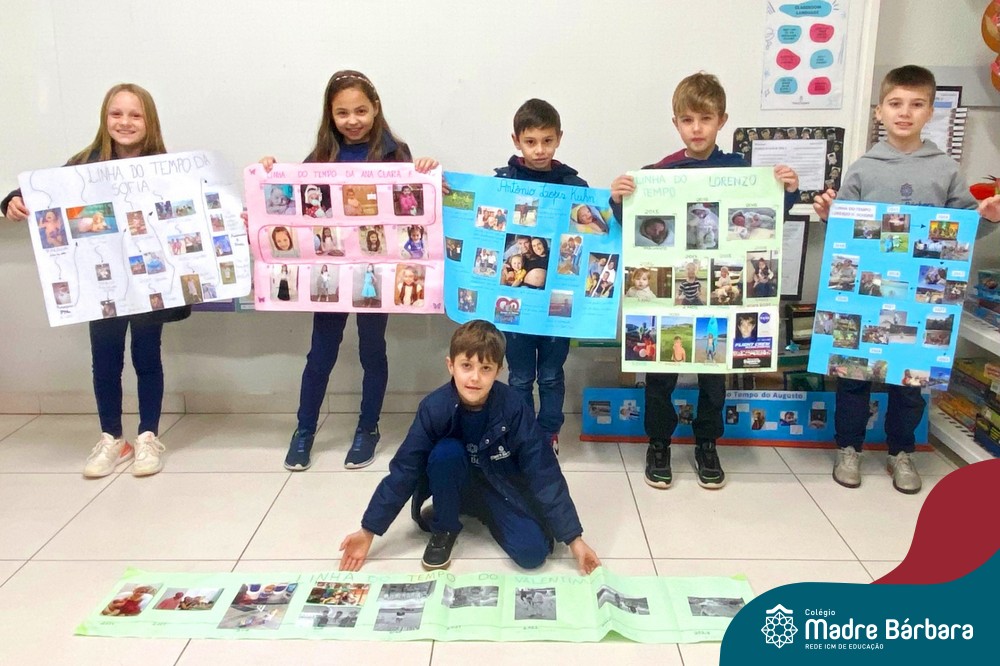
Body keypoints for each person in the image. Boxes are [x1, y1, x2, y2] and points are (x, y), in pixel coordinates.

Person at [814, 65, 1000, 494]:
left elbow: (962, 232)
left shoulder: (945, 169)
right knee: (854, 376)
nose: (904, 112)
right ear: (879, 111)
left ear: (930, 112)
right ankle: (849, 447)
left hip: (921, 297)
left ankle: (901, 451)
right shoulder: (863, 169)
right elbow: (846, 232)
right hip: (864, 295)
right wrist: (829, 217)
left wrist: (987, 219)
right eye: (895, 104)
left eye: (916, 105)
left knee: (909, 383)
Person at [611, 72, 800, 491]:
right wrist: (619, 199)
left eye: (706, 119)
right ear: (676, 123)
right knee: (660, 372)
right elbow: (633, 225)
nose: (697, 128)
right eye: (688, 120)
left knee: (715, 376)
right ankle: (659, 443)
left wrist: (787, 191)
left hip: (722, 299)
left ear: (722, 120)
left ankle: (707, 443)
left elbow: (768, 217)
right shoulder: (661, 172)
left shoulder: (741, 171)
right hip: (670, 299)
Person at [258, 70, 442, 471]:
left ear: (375, 109)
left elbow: (415, 208)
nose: (353, 120)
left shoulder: (396, 153)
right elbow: (291, 204)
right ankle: (304, 430)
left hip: (377, 273)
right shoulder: (321, 157)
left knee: (372, 350)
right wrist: (270, 174)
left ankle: (367, 428)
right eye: (342, 113)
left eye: (361, 110)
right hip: (330, 272)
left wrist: (425, 172)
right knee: (320, 352)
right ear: (330, 115)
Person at [2, 83, 187, 478]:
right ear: (105, 119)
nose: (125, 122)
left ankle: (148, 436)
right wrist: (12, 200)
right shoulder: (83, 164)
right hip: (101, 283)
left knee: (147, 356)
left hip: (149, 283)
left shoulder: (165, 166)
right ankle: (112, 439)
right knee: (105, 360)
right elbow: (44, 191)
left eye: (135, 115)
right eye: (116, 114)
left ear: (150, 121)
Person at [337, 320, 601, 574]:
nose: (475, 377)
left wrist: (574, 540)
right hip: (453, 477)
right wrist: (368, 530)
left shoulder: (514, 408)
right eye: (466, 366)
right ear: (450, 366)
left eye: (485, 368)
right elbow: (404, 470)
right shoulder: (433, 408)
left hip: (499, 485)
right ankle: (445, 526)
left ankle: (479, 507)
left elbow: (543, 471)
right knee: (446, 452)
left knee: (533, 553)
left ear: (498, 371)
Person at [491, 100, 589, 455]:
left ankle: (548, 433)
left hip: (557, 302)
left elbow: (592, 237)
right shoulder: (502, 184)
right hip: (515, 303)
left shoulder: (575, 185)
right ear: (516, 140)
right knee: (519, 376)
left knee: (550, 375)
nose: (539, 150)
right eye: (530, 141)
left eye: (547, 141)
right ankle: (521, 434)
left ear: (559, 138)